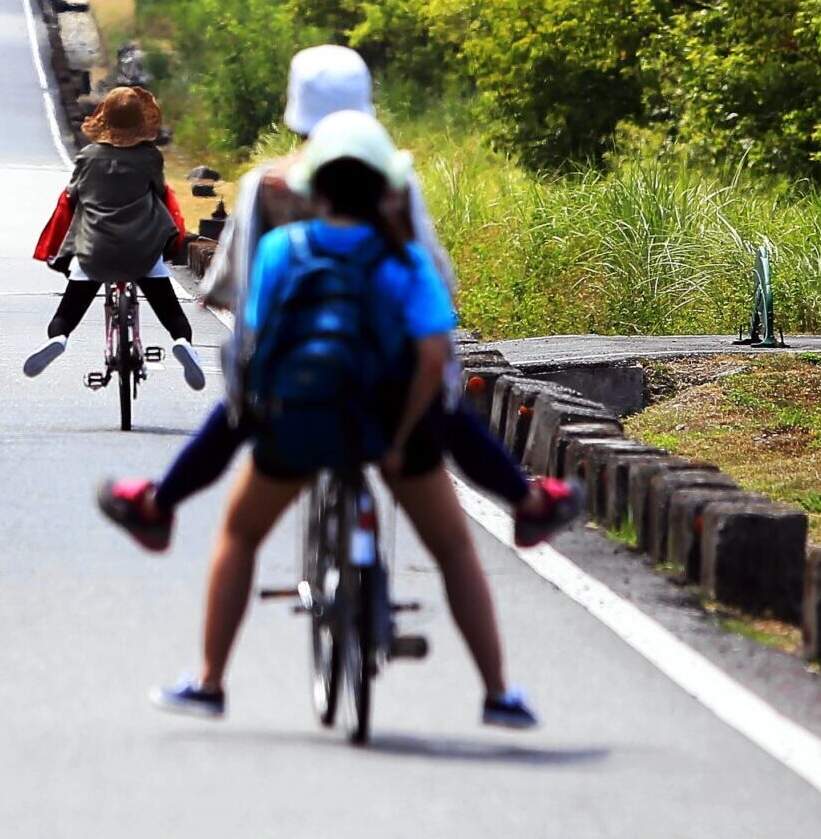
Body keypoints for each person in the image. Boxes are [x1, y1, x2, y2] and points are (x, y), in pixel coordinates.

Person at [98, 45, 578, 552]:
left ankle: (161, 504)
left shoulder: (268, 185)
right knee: (452, 523)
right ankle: (526, 502)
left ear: (294, 111)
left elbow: (232, 285)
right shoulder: (396, 183)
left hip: (295, 394)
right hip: (390, 393)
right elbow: (437, 273)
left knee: (238, 483)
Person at [146, 112, 538, 728]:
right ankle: (498, 694)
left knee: (241, 533)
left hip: (298, 424)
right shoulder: (405, 260)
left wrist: (256, 411)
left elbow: (255, 340)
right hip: (388, 426)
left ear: (313, 189)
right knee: (453, 548)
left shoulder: (283, 249)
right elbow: (433, 358)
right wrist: (403, 437)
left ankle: (210, 681)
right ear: (386, 188)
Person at [23, 87, 205, 391]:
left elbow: (70, 201)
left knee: (68, 312)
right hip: (142, 252)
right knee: (170, 310)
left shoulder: (87, 158)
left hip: (96, 251)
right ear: (140, 123)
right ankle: (183, 342)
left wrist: (59, 252)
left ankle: (59, 338)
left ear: (105, 120)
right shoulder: (150, 158)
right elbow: (163, 198)